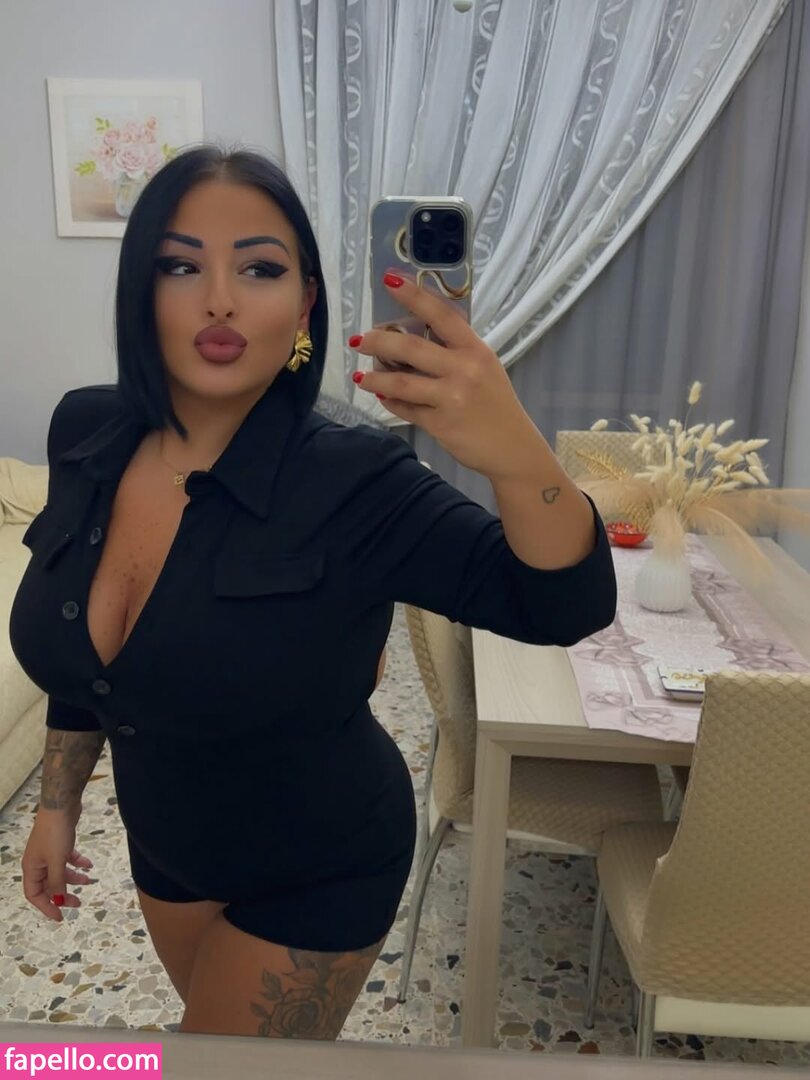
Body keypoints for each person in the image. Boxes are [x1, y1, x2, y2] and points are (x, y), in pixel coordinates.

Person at [9, 144, 616, 1041]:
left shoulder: (355, 478)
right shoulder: (86, 430)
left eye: (259, 268)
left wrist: (518, 456)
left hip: (319, 863)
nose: (220, 299)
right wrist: (57, 806)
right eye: (182, 266)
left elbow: (563, 607)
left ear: (304, 305)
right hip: (165, 852)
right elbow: (85, 655)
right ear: (141, 292)